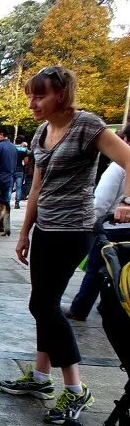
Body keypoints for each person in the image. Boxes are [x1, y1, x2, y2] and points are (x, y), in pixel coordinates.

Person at [0, 66, 130, 424]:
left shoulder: (87, 125)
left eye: (39, 95)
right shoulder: (43, 131)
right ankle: (41, 378)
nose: (32, 102)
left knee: (43, 304)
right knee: (44, 303)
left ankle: (76, 390)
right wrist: (24, 232)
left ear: (61, 94)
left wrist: (127, 203)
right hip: (45, 229)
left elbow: (128, 158)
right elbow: (37, 189)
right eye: (30, 94)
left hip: (74, 231)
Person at [64, 122, 130, 321]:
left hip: (113, 228)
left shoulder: (118, 167)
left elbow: (101, 201)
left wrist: (91, 224)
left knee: (97, 269)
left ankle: (80, 307)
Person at [13, 135, 29, 209]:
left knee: (10, 186)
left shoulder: (11, 148)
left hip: (11, 169)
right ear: (22, 142)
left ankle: (6, 201)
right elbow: (26, 162)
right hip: (20, 169)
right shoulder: (24, 150)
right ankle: (17, 203)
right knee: (19, 187)